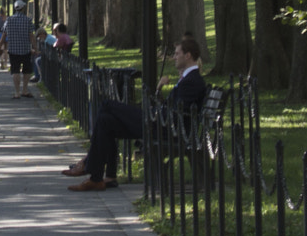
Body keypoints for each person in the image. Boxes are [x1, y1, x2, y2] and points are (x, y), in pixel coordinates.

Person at [66, 34, 206, 190]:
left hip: (162, 128)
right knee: (106, 121)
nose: (174, 57)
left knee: (106, 105)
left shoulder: (192, 81)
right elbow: (174, 109)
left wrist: (155, 111)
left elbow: (176, 114)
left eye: (177, 54)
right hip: (159, 122)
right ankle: (101, 178)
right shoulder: (188, 79)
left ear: (188, 56)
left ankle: (88, 163)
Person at [3, 0, 35, 97]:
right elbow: (31, 35)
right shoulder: (28, 20)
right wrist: (35, 47)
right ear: (23, 8)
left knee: (15, 70)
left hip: (13, 49)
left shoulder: (9, 20)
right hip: (25, 49)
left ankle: (17, 92)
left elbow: (4, 33)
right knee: (26, 70)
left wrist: (0, 45)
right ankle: (24, 90)